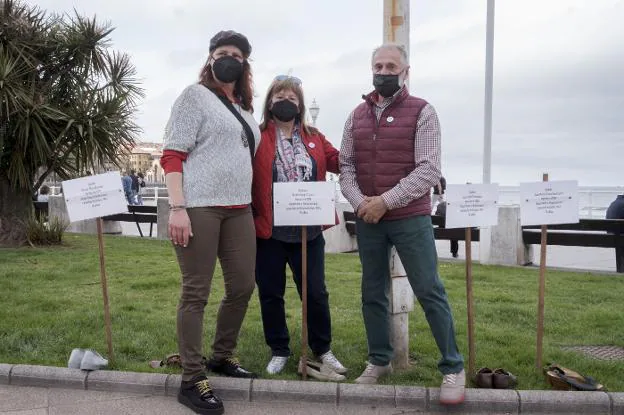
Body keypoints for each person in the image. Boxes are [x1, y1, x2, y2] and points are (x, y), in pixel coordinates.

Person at [339, 43, 465, 405]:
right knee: (372, 292)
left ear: (405, 71)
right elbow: (346, 167)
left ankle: (452, 368)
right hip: (369, 219)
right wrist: (362, 202)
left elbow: (428, 169)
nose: (384, 71)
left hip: (410, 217)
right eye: (378, 65)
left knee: (429, 290)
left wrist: (385, 201)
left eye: (391, 65)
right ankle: (379, 360)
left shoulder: (423, 112)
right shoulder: (355, 116)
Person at [160, 30, 260, 415]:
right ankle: (191, 378)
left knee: (242, 285)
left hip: (239, 209)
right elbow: (172, 155)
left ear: (244, 63)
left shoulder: (245, 109)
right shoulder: (194, 96)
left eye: (235, 54)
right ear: (210, 58)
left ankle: (221, 355)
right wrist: (178, 208)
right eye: (222, 53)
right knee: (196, 291)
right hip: (199, 207)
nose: (228, 59)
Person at [251, 76, 346, 380]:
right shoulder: (257, 136)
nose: (286, 100)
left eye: (292, 97)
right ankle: (279, 349)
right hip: (270, 232)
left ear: (300, 104)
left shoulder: (314, 136)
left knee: (315, 292)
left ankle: (322, 348)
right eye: (280, 95)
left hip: (308, 232)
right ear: (269, 101)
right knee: (270, 292)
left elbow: (341, 162)